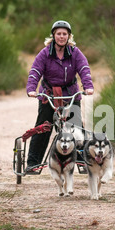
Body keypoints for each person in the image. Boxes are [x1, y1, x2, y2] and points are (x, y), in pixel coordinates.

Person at [25, 20, 94, 174]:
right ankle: (33, 164)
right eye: (58, 34)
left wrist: (88, 86)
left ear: (68, 36)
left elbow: (84, 69)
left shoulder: (75, 52)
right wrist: (31, 89)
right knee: (43, 128)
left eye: (64, 34)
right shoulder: (45, 53)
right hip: (48, 94)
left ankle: (82, 161)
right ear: (54, 35)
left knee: (76, 128)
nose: (61, 37)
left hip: (70, 95)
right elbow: (35, 71)